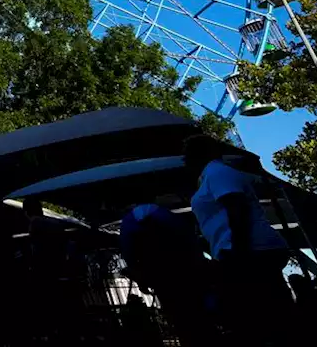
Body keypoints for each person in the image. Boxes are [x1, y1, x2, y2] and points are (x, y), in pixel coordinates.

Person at [184, 134, 292, 346]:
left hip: (251, 252)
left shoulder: (218, 173)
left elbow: (236, 207)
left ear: (200, 155)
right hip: (243, 251)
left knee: (256, 318)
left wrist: (238, 252)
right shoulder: (210, 176)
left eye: (187, 155)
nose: (184, 160)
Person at [118, 203, 215, 347]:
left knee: (182, 321)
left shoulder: (129, 223)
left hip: (162, 277)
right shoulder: (164, 215)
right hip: (185, 271)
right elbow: (189, 239)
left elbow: (128, 254)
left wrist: (141, 277)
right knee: (199, 317)